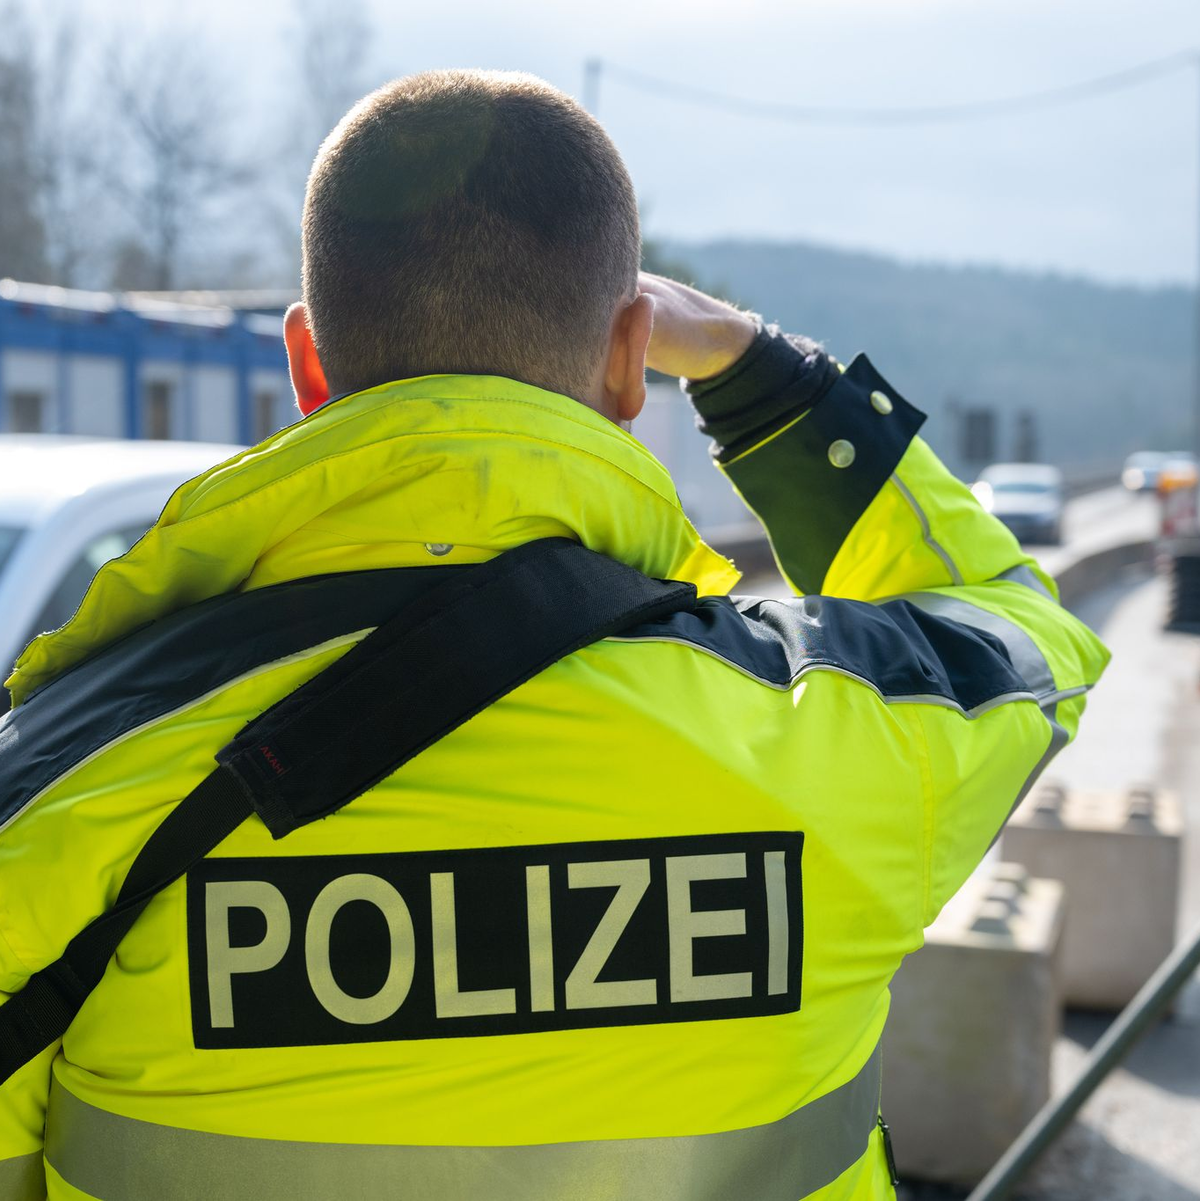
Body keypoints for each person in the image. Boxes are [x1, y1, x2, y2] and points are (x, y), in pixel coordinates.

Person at [0, 69, 1107, 1201]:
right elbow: (1018, 626)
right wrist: (760, 373)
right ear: (634, 361)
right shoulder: (829, 738)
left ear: (308, 367)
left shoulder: (58, 798)